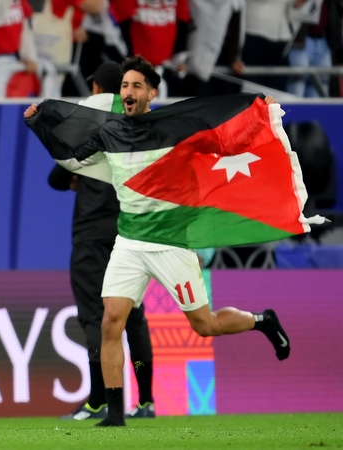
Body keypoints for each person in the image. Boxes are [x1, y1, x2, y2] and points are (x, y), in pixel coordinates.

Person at [25, 55, 292, 427]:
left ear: (152, 93)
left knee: (206, 325)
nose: (129, 91)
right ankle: (115, 415)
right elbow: (71, 158)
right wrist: (39, 123)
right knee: (110, 322)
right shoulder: (109, 132)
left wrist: (262, 115)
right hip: (129, 242)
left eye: (137, 85)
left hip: (170, 242)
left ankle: (262, 320)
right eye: (125, 86)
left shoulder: (176, 127)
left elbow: (224, 137)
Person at [51, 61, 155, 421]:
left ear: (96, 88)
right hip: (128, 233)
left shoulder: (89, 130)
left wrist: (78, 177)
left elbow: (56, 177)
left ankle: (98, 399)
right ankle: (146, 401)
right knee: (134, 318)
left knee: (96, 318)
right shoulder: (135, 130)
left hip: (91, 236)